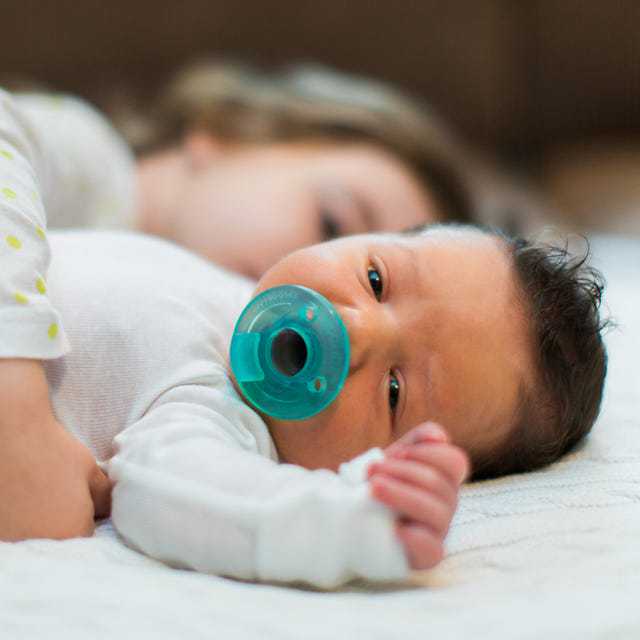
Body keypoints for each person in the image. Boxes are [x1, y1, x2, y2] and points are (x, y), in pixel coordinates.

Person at [1, 80, 608, 587]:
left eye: (395, 392)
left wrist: (356, 522)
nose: (355, 329)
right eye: (375, 278)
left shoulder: (220, 411)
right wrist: (16, 406)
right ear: (232, 135)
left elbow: (193, 496)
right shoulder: (165, 238)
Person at [2, 58, 544, 280]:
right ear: (234, 128)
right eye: (331, 224)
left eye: (372, 284)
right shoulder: (89, 161)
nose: (322, 283)